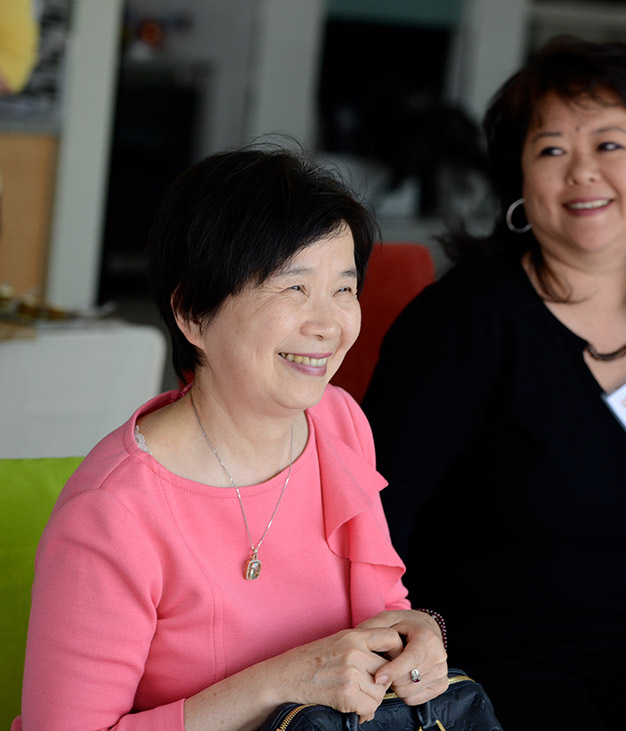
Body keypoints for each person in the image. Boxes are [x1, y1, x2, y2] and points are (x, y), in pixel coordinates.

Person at [362, 37, 626, 731]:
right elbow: (377, 512)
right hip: (473, 675)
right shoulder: (463, 320)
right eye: (551, 149)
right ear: (520, 183)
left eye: (609, 144)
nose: (582, 171)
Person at [16, 147, 448, 731]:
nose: (328, 324)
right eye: (293, 288)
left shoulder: (339, 423)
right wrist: (277, 684)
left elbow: (381, 611)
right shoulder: (113, 513)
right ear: (194, 314)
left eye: (344, 289)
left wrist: (416, 632)